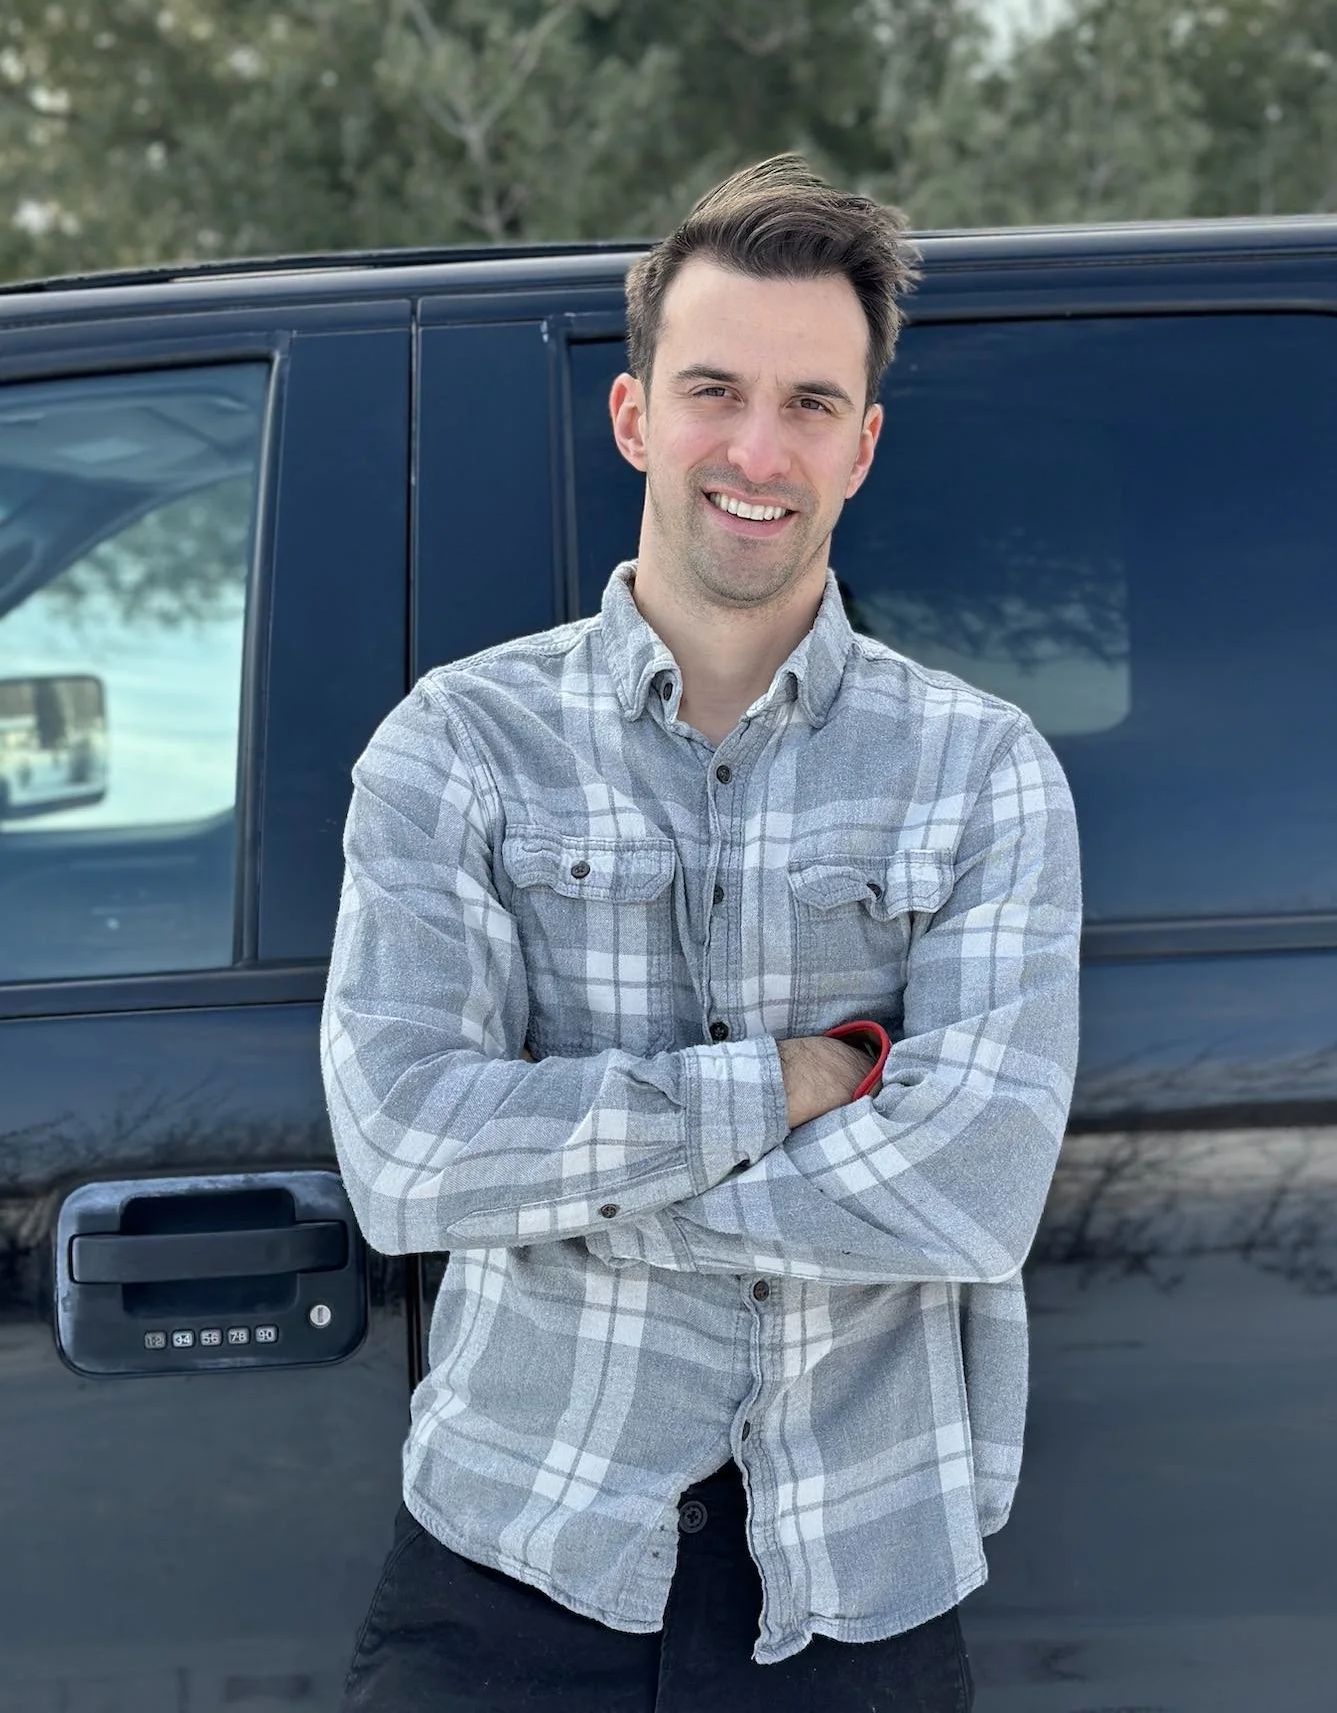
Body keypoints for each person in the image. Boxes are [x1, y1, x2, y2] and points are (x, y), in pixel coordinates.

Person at [320, 154, 1082, 1711]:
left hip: (856, 1570)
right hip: (515, 1548)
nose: (756, 447)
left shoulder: (982, 768)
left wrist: (553, 1187)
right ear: (634, 415)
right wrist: (786, 1086)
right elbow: (403, 1156)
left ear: (863, 448)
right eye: (714, 389)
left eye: (810, 404)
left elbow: (975, 1187)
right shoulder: (456, 745)